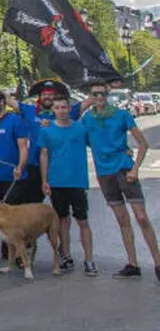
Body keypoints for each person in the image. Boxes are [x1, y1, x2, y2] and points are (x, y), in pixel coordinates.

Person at [81, 81, 160, 280]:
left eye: (102, 94)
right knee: (122, 219)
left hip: (124, 169)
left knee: (141, 217)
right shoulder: (87, 119)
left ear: (107, 95)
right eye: (95, 94)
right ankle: (133, 264)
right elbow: (76, 138)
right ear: (90, 96)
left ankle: (158, 263)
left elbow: (143, 143)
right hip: (104, 173)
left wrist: (134, 169)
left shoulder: (121, 115)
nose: (99, 97)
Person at [39, 96, 96, 276]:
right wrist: (44, 180)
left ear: (69, 109)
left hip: (77, 181)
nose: (61, 110)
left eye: (64, 107)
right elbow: (44, 155)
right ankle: (66, 256)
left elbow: (98, 142)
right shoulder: (46, 130)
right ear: (53, 110)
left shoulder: (80, 128)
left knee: (83, 221)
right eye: (57, 108)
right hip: (57, 181)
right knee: (62, 220)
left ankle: (89, 260)